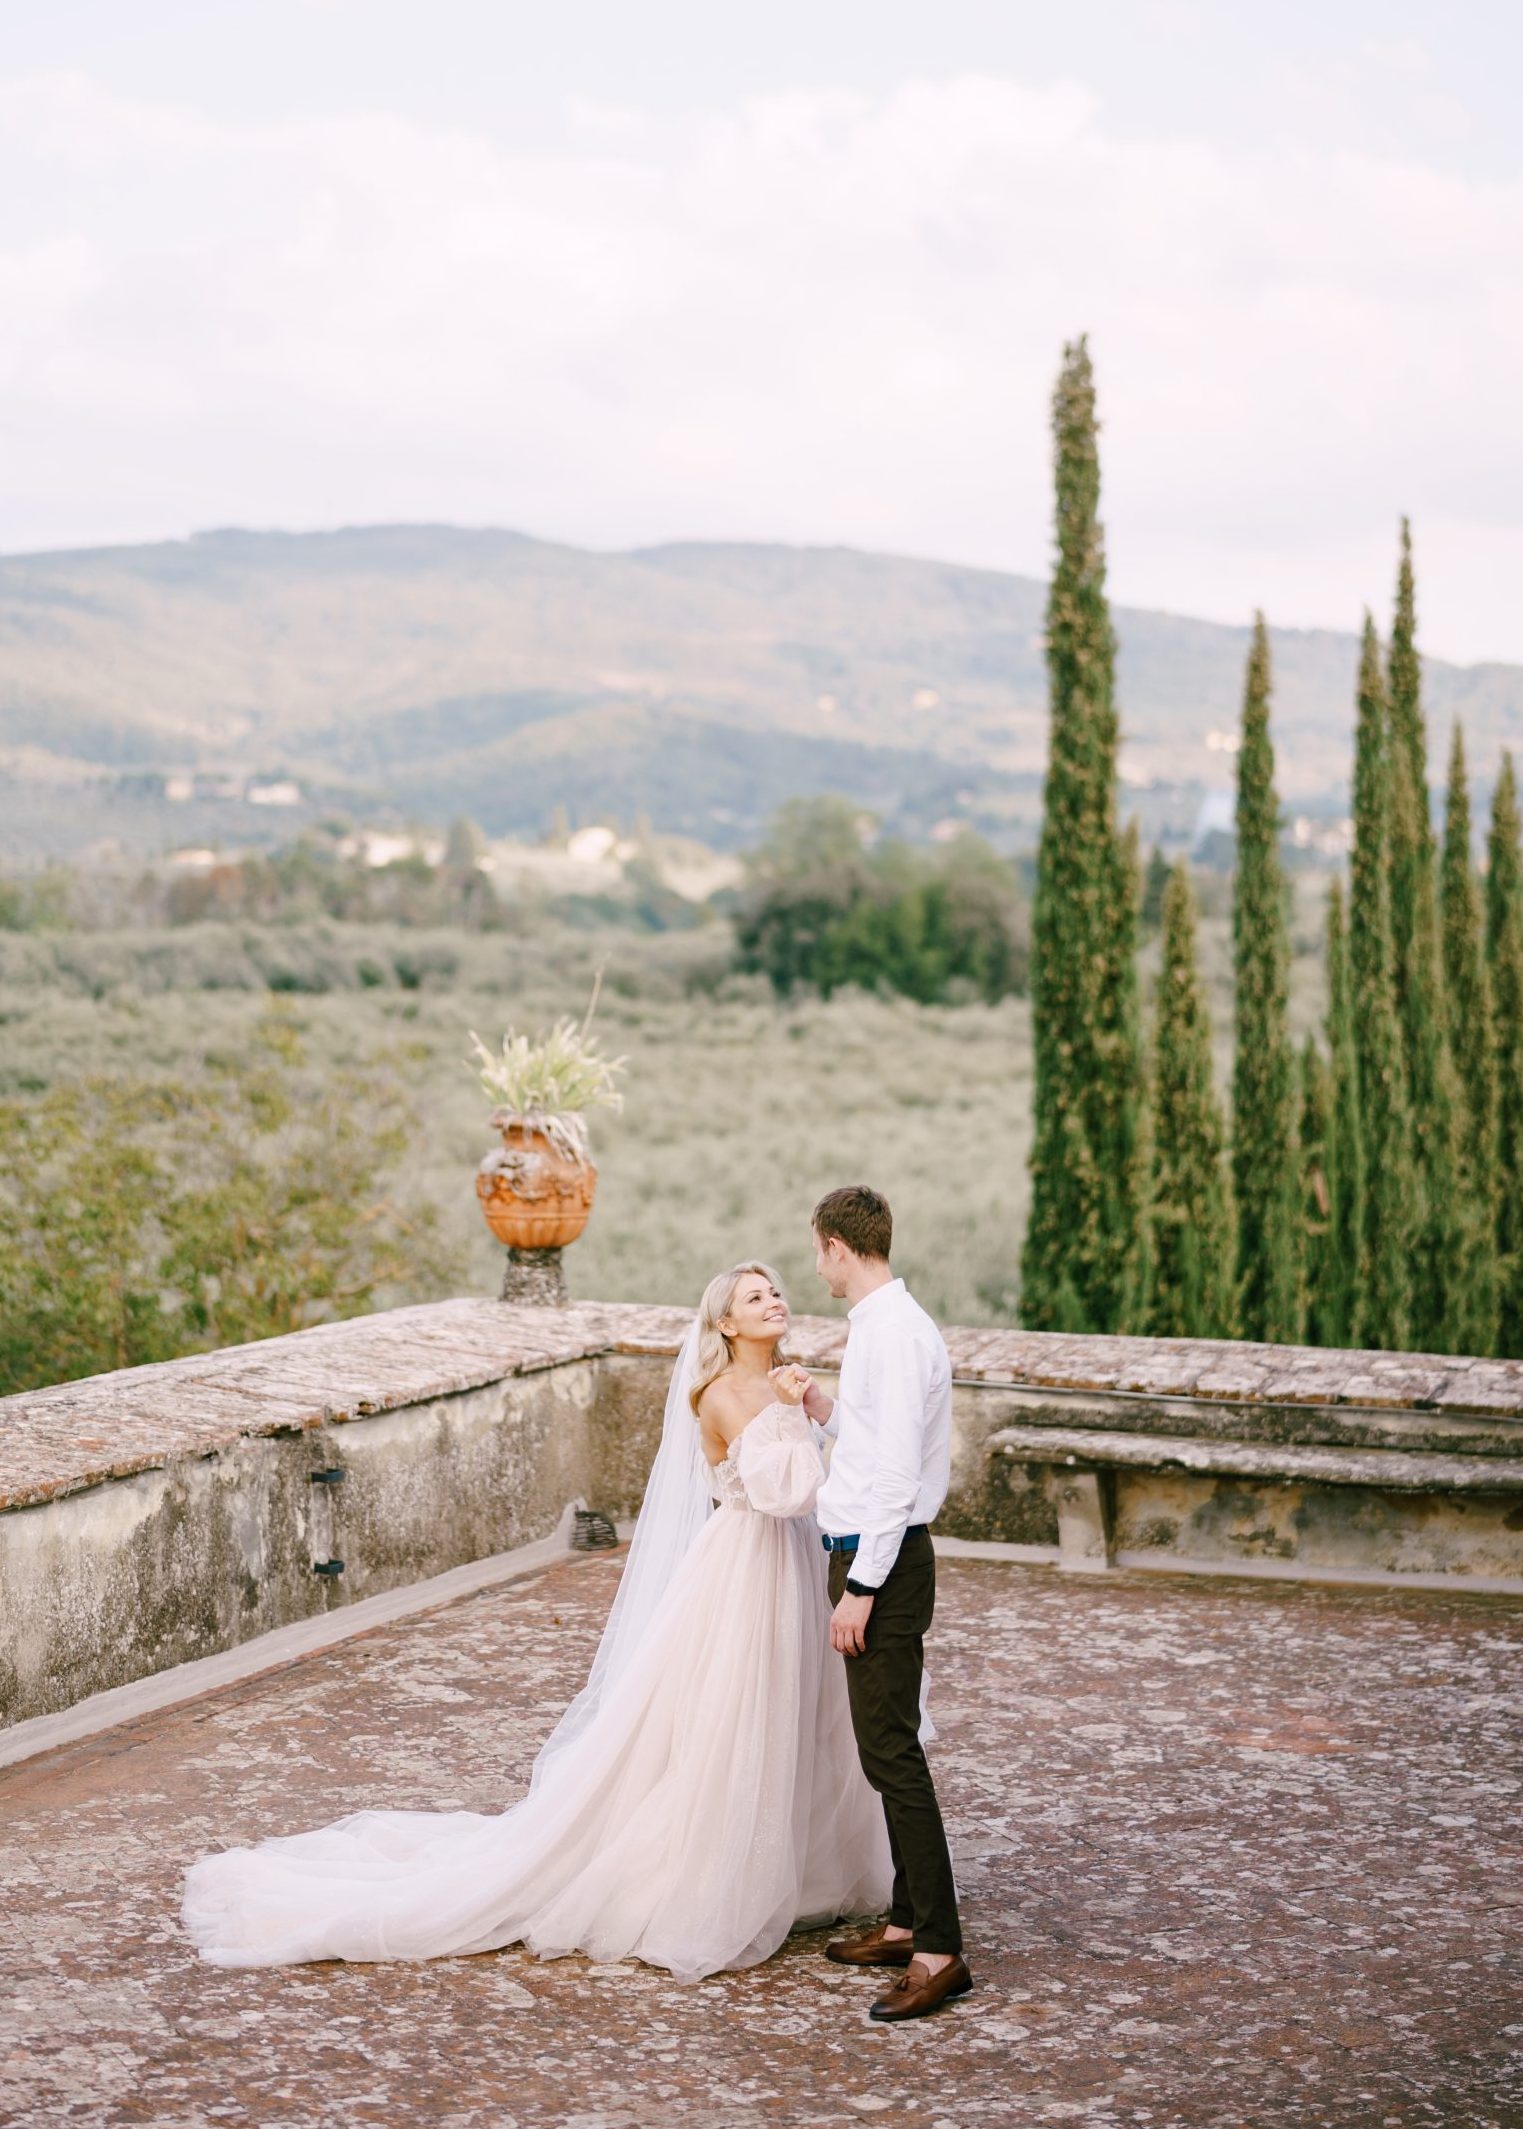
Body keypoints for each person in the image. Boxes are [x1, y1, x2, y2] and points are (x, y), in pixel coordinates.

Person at [181, 1262, 891, 1982]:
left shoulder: (784, 1383)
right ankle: (717, 1875)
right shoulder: (719, 1394)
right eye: (753, 1296)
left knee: (806, 1705)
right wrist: (807, 1417)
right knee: (743, 1711)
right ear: (726, 1324)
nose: (774, 1301)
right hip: (748, 1567)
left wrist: (810, 1407)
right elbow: (784, 1493)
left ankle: (803, 1872)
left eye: (774, 1290)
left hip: (797, 1563)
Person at [803, 1185, 972, 2022]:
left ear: (838, 1245)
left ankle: (939, 1948)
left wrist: (860, 1590)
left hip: (887, 1565)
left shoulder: (897, 1334)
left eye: (817, 1250)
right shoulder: (877, 1328)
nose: (817, 1265)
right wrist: (822, 1411)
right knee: (886, 1748)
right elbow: (874, 1447)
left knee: (891, 1756)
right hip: (875, 1554)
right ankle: (906, 1921)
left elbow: (899, 1478)